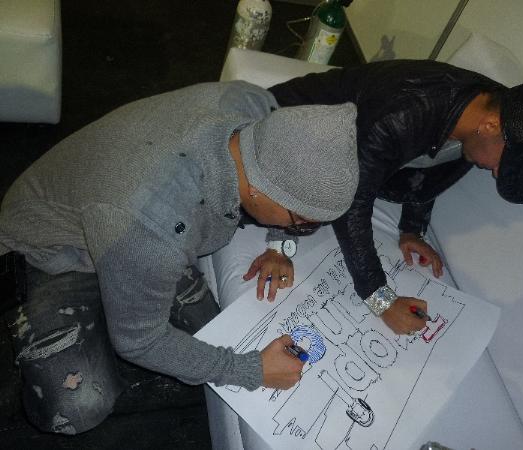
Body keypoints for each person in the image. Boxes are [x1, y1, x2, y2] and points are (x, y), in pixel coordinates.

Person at [0, 80, 359, 434]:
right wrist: (252, 370)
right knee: (79, 406)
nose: (303, 229)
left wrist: (278, 242)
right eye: (303, 223)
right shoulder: (155, 227)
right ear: (259, 189)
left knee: (216, 331)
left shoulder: (250, 102)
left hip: (119, 222)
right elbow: (139, 341)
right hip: (50, 252)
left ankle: (128, 294)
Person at [244, 59, 523, 336]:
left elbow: (432, 167)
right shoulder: (402, 114)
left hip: (347, 153)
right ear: (490, 126)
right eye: (506, 162)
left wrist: (412, 229)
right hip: (276, 133)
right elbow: (350, 200)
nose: (497, 173)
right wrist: (381, 299)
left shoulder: (487, 111)